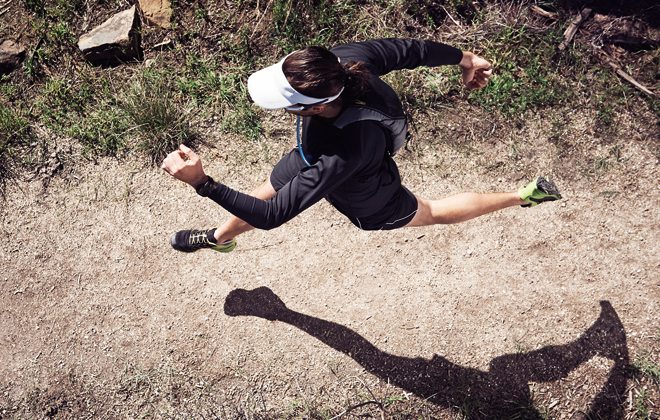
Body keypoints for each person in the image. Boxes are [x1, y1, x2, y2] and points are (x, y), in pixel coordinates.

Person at [161, 38, 562, 253]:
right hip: (308, 157)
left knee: (431, 212)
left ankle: (522, 196)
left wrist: (203, 182)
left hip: (363, 189)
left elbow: (272, 217)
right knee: (265, 188)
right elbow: (412, 51)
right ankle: (218, 239)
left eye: (285, 105)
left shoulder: (347, 148)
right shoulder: (343, 61)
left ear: (316, 106)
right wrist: (465, 58)